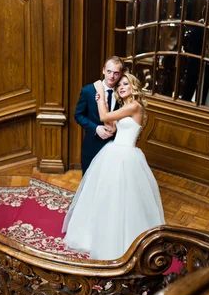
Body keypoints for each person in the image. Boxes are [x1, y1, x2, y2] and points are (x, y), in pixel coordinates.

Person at [63, 72, 166, 260]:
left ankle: (124, 241)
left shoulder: (135, 106)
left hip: (126, 155)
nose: (121, 87)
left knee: (125, 199)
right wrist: (106, 125)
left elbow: (104, 114)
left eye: (125, 83)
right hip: (113, 152)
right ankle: (101, 234)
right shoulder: (126, 107)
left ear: (134, 86)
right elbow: (110, 125)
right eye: (119, 86)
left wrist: (101, 93)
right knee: (107, 196)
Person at [74, 56, 124, 175]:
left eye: (116, 73)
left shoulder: (123, 92)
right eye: (109, 71)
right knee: (88, 182)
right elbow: (78, 115)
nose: (111, 76)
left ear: (121, 74)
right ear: (103, 70)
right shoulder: (88, 91)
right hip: (92, 145)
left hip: (115, 147)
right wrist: (95, 128)